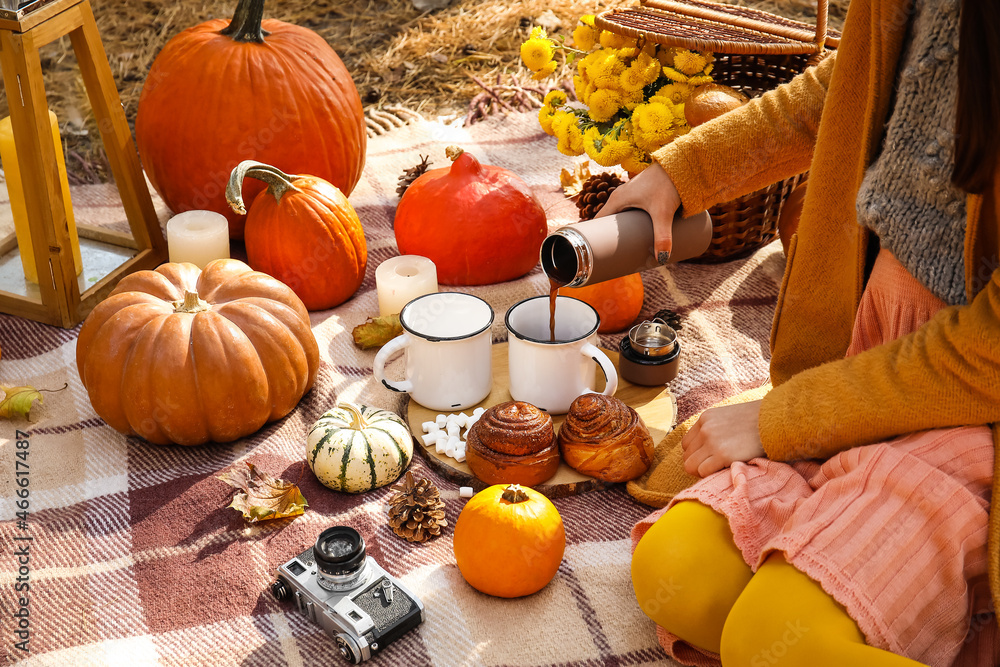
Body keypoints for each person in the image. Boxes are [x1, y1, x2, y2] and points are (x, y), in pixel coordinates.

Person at [603, 0, 1000, 665]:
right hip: (863, 355)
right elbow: (850, 85)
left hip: (968, 405)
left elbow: (984, 359)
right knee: (676, 574)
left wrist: (782, 419)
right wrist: (681, 174)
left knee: (771, 641)